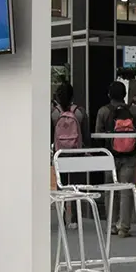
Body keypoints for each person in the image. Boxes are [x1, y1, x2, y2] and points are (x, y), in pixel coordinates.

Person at [95, 80, 136, 238]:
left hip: (110, 156)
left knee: (110, 191)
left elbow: (98, 134)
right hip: (130, 156)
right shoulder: (133, 110)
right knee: (126, 191)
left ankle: (111, 225)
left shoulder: (103, 111)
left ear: (109, 95)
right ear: (125, 94)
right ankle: (124, 227)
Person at [51, 82, 90, 228]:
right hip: (76, 153)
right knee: (75, 186)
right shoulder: (79, 112)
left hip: (60, 153)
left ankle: (61, 217)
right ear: (73, 96)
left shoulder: (54, 113)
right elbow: (86, 134)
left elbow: (50, 135)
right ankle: (74, 219)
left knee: (61, 186)